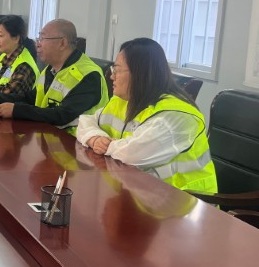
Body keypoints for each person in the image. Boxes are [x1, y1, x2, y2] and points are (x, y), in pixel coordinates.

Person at [76, 37, 217, 194]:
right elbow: (85, 121)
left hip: (183, 201)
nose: (111, 76)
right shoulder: (122, 100)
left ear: (140, 74)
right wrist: (95, 138)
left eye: (117, 70)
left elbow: (132, 154)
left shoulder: (176, 115)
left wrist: (106, 146)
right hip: (138, 191)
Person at [0, 19, 108, 134]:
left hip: (75, 143)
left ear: (62, 43)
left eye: (42, 39)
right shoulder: (50, 69)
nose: (37, 44)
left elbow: (62, 115)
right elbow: (31, 98)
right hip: (48, 136)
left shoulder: (89, 76)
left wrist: (17, 110)